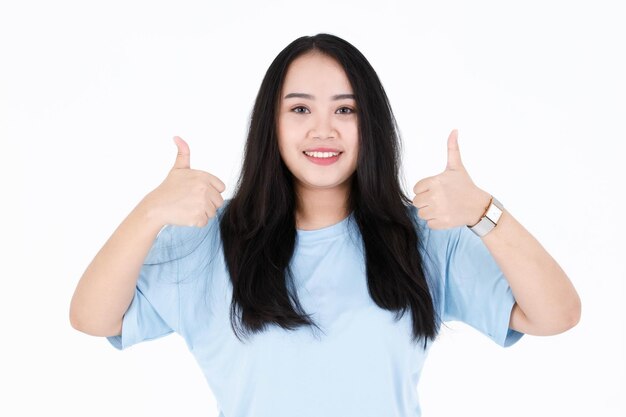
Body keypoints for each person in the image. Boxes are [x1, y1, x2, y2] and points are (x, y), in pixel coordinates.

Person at [69, 33, 581, 417]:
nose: (323, 129)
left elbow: (555, 314)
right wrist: (150, 211)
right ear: (271, 123)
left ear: (371, 125)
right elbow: (94, 318)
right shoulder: (211, 241)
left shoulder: (421, 237)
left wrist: (484, 212)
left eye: (345, 109)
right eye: (299, 109)